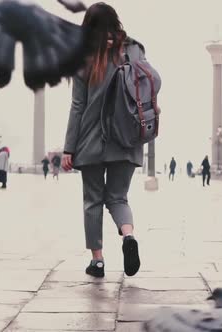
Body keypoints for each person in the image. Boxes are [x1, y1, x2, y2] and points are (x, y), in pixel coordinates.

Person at [62, 3, 142, 278]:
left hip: (92, 140)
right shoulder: (133, 50)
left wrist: (68, 149)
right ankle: (128, 237)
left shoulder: (84, 57)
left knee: (92, 201)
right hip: (127, 137)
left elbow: (77, 106)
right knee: (118, 197)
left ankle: (97, 261)